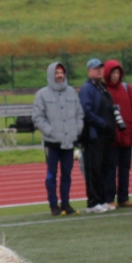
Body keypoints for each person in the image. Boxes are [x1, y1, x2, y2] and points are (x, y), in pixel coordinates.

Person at [32, 62, 85, 216]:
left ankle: (66, 203)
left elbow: (79, 114)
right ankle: (53, 205)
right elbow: (37, 117)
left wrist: (77, 130)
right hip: (52, 143)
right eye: (57, 73)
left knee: (67, 174)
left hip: (68, 142)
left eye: (62, 72)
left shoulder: (71, 93)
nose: (59, 75)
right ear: (51, 75)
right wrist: (50, 132)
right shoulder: (42, 94)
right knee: (51, 174)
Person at [78, 58, 117, 213]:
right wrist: (103, 123)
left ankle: (102, 199)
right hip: (93, 135)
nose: (99, 70)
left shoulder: (102, 87)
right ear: (89, 71)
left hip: (105, 135)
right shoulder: (87, 89)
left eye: (101, 68)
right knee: (94, 169)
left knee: (104, 168)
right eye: (96, 68)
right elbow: (86, 112)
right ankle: (93, 202)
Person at [102, 59, 132, 209]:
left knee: (125, 168)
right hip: (111, 136)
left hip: (127, 135)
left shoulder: (126, 88)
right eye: (112, 73)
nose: (115, 76)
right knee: (110, 168)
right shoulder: (103, 89)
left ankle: (123, 197)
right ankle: (109, 198)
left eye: (117, 73)